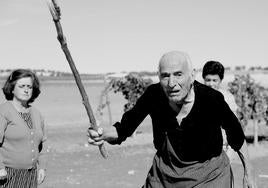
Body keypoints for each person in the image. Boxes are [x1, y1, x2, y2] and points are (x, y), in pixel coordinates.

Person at [88, 51, 256, 188]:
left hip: (209, 176)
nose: (171, 83)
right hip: (165, 175)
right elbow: (123, 130)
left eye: (178, 75)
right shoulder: (153, 95)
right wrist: (102, 133)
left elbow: (237, 137)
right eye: (165, 76)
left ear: (192, 75)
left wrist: (248, 174)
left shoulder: (212, 99)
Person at [0, 69, 47, 187]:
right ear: (12, 88)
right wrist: (0, 168)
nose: (26, 90)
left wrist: (42, 167)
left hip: (31, 174)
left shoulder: (37, 113)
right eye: (21, 86)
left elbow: (42, 144)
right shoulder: (4, 111)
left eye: (29, 87)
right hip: (7, 174)